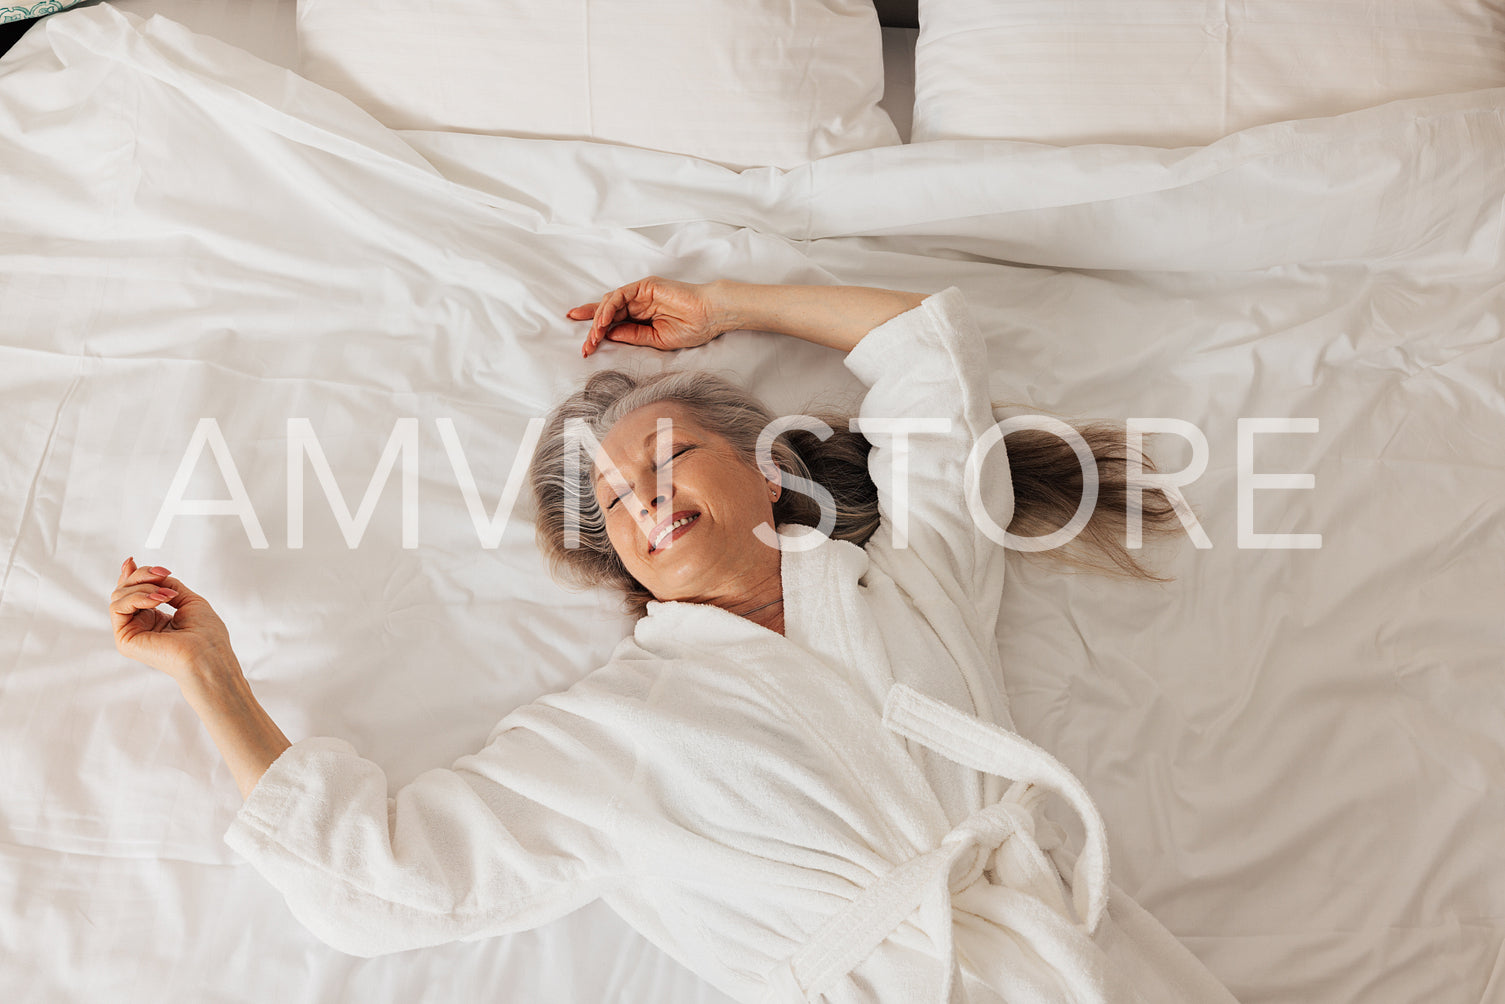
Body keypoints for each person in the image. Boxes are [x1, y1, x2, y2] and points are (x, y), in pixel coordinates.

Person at [108, 276, 1231, 1003]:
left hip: (1080, 966)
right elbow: (374, 881)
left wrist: (731, 304)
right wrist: (212, 674)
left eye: (664, 459)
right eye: (609, 504)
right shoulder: (610, 728)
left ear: (772, 466)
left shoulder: (909, 575)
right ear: (618, 558)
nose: (639, 499)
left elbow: (921, 351)